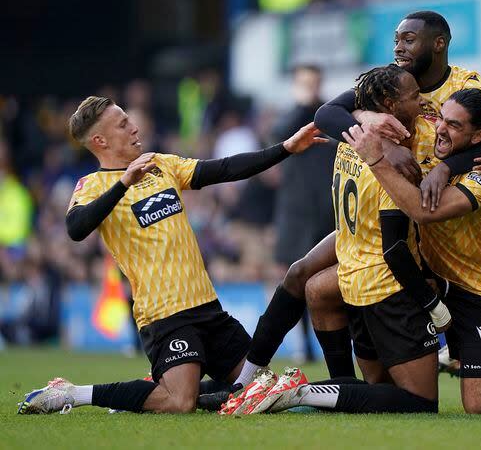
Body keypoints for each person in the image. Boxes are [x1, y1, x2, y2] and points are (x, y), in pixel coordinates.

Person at [222, 11, 481, 408]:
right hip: (398, 232)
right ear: (391, 103)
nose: (399, 47)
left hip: (435, 220)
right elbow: (326, 113)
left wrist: (445, 166)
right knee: (307, 278)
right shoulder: (385, 105)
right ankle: (263, 380)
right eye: (396, 39)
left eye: (408, 40)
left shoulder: (464, 88)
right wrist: (376, 132)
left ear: (438, 43)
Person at [247, 72, 481, 415]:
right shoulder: (408, 132)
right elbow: (332, 113)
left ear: (479, 136)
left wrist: (430, 166)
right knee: (316, 288)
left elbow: (421, 211)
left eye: (453, 125)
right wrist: (372, 126)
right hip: (412, 272)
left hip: (469, 284)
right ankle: (310, 391)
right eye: (439, 118)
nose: (438, 127)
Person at [17, 96, 327, 415]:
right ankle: (74, 392)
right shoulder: (92, 185)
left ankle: (143, 393)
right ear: (100, 140)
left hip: (207, 307)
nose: (134, 127)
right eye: (123, 124)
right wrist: (124, 182)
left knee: (261, 390)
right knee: (179, 403)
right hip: (165, 315)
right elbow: (76, 228)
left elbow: (225, 168)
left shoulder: (161, 165)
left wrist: (286, 147)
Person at [237, 66, 455, 415]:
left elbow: (330, 114)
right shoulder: (390, 159)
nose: (422, 102)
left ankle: (268, 383)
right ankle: (303, 392)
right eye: (414, 97)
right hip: (383, 279)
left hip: (354, 254)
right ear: (389, 104)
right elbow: (395, 247)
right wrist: (432, 302)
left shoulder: (348, 141)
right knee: (420, 402)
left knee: (311, 283)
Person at [272, 64, 337, 362]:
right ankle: (303, 345)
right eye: (304, 82)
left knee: (326, 281)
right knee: (293, 279)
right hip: (295, 215)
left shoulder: (330, 116)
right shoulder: (290, 119)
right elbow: (280, 136)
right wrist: (303, 103)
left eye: (314, 81)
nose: (311, 87)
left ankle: (330, 343)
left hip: (326, 214)